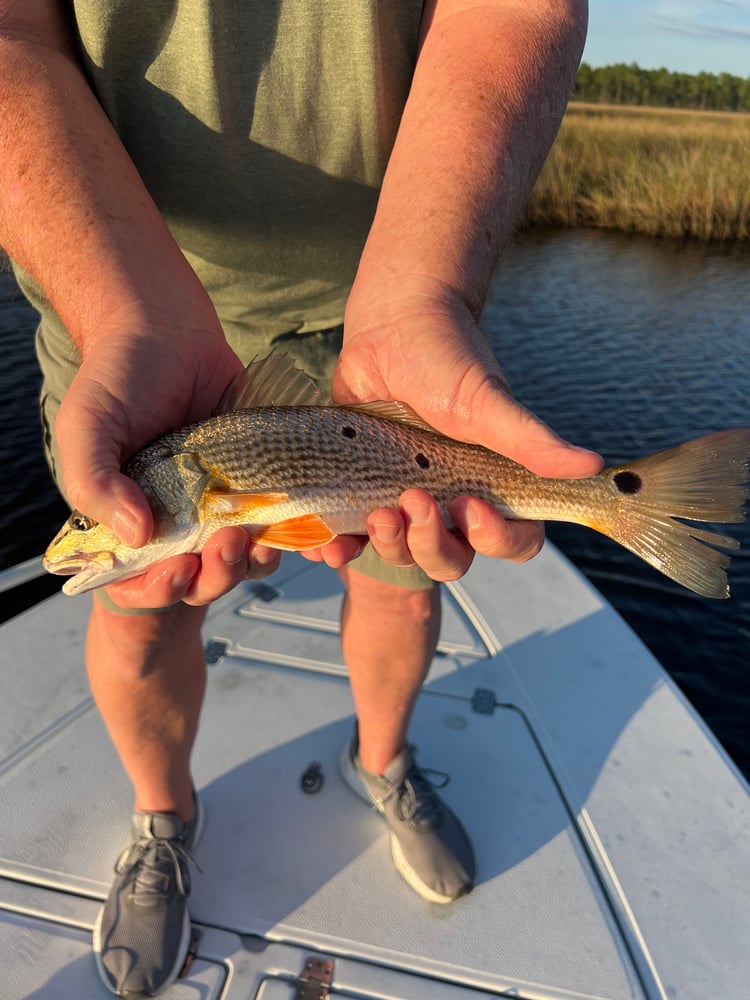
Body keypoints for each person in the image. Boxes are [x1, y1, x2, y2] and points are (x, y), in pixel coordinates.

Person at [0, 1, 600, 995]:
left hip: (388, 300)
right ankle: (164, 822)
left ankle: (384, 761)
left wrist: (424, 288)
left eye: (73, 531)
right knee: (143, 603)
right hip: (117, 309)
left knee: (403, 577)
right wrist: (120, 313)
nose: (72, 538)